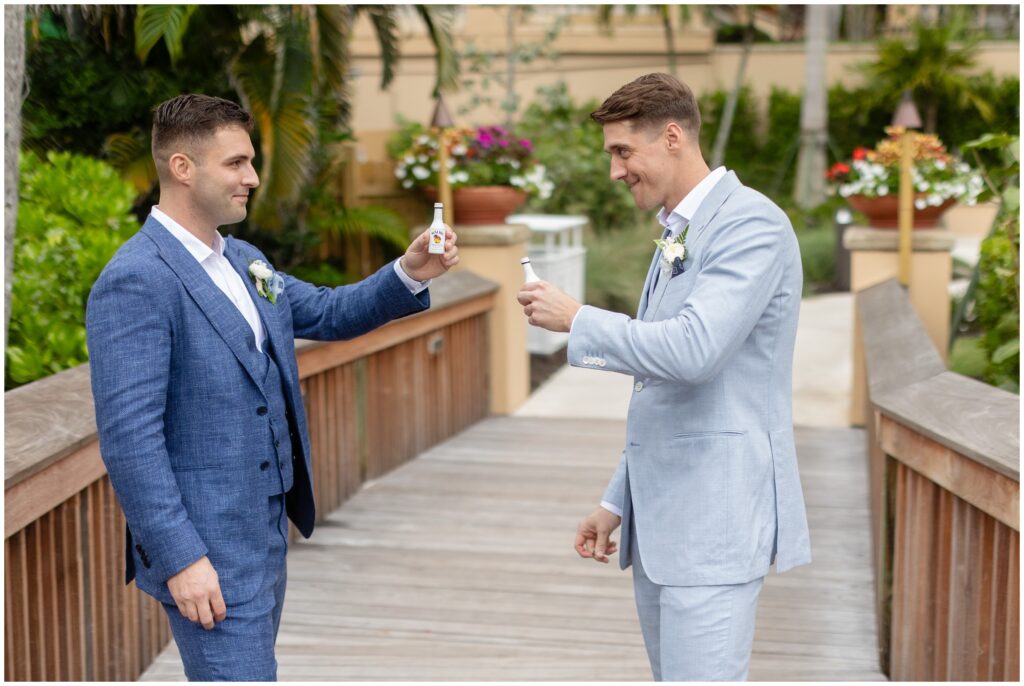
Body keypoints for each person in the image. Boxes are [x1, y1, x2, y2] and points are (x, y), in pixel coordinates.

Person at [86, 94, 459, 681]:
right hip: (205, 548)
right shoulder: (136, 279)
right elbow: (130, 441)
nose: (253, 178)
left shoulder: (243, 259)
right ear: (182, 168)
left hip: (263, 533)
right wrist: (182, 558)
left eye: (251, 161)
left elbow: (332, 312)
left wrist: (409, 272)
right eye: (236, 163)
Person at [517, 73, 811, 681]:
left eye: (623, 152)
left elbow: (693, 351)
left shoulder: (750, 224)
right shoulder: (678, 232)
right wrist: (615, 499)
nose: (615, 171)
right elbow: (663, 389)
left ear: (672, 136)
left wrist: (578, 319)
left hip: (715, 524)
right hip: (663, 525)